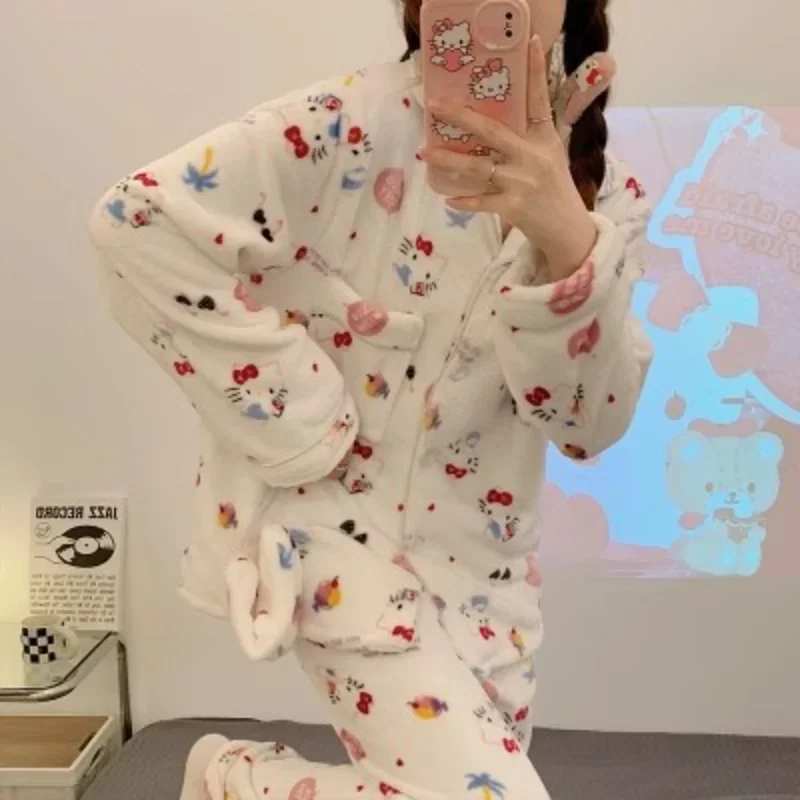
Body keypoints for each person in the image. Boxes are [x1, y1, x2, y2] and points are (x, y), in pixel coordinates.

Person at [89, 0, 652, 797]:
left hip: (486, 577)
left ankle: (237, 782)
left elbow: (587, 426)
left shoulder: (607, 199)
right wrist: (307, 422)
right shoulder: (343, 125)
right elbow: (134, 220)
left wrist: (565, 236)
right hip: (334, 537)